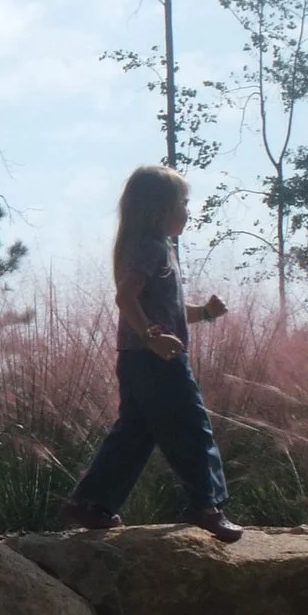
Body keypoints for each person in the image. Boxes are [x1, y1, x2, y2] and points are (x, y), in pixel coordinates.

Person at [57, 165, 243, 541]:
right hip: (156, 359)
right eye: (183, 203)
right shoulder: (150, 250)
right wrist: (153, 337)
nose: (188, 212)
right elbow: (124, 298)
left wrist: (204, 313)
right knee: (191, 426)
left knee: (135, 433)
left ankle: (90, 503)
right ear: (159, 209)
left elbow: (167, 310)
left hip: (135, 357)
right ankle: (207, 505)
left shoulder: (157, 250)